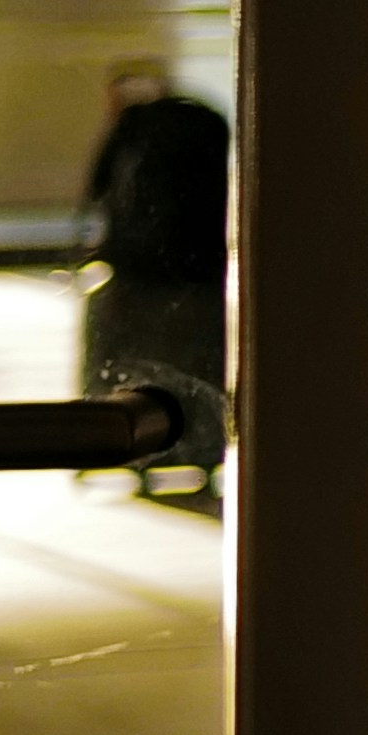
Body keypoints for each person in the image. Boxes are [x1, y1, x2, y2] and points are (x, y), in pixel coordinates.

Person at [79, 53, 232, 502]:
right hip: (200, 268)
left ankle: (134, 454)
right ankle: (205, 453)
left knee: (129, 353)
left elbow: (96, 189)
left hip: (138, 268)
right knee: (200, 356)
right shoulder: (206, 122)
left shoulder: (130, 126)